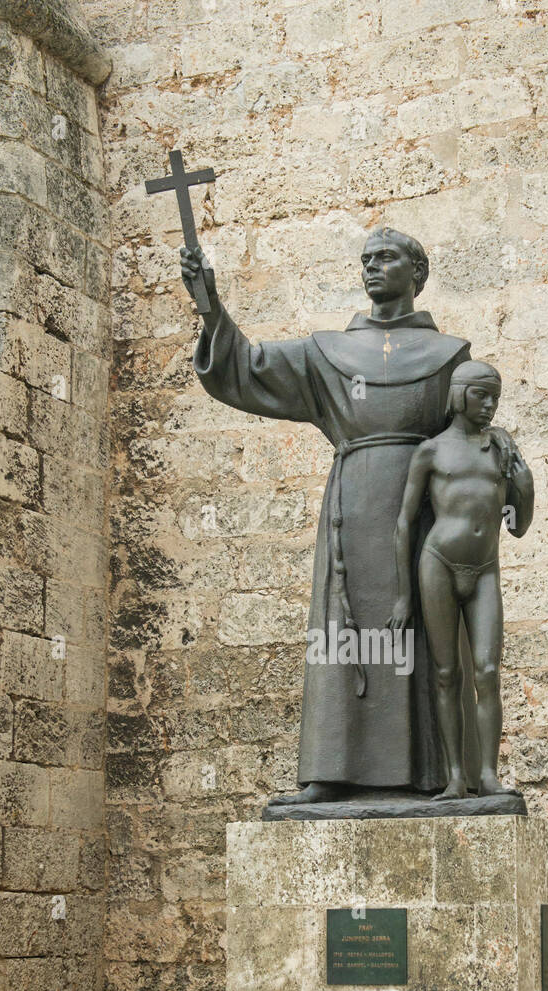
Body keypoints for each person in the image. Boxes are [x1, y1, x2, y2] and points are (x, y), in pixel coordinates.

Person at [180, 227, 480, 802]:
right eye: (365, 258)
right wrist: (209, 304)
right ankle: (331, 771)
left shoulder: (451, 357)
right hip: (352, 508)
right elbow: (249, 366)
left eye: (386, 258)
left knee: (422, 636)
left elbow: (472, 437)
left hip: (422, 516)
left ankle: (437, 775)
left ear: (417, 273)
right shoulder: (327, 356)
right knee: (343, 637)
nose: (371, 266)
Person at [389, 361, 534, 799]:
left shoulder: (500, 449)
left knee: (488, 671)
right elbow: (404, 522)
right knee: (447, 672)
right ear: (458, 396)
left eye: (495, 397)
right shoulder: (431, 452)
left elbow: (519, 526)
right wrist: (402, 596)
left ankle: (487, 775)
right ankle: (455, 776)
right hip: (438, 562)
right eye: (480, 395)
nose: (489, 405)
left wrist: (523, 480)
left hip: (485, 567)